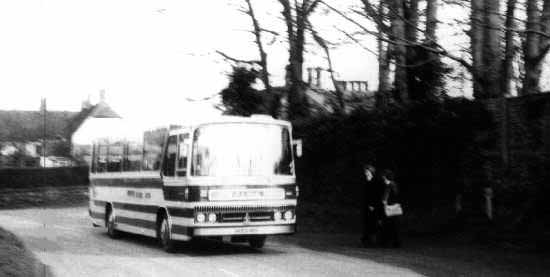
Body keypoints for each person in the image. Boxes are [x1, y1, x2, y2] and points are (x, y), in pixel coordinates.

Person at [360, 164, 382, 247]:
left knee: (373, 224)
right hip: (366, 205)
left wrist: (373, 205)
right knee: (366, 223)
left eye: (367, 171)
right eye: (365, 171)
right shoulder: (365, 180)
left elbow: (377, 194)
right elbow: (365, 194)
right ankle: (366, 240)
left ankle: (373, 241)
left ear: (371, 171)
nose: (366, 173)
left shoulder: (376, 181)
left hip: (374, 206)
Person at [379, 169, 402, 248]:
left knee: (388, 226)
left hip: (390, 208)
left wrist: (385, 204)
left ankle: (386, 242)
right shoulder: (394, 185)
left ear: (385, 177)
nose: (382, 178)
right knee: (395, 226)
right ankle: (396, 243)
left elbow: (385, 198)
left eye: (383, 176)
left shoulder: (389, 185)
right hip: (395, 207)